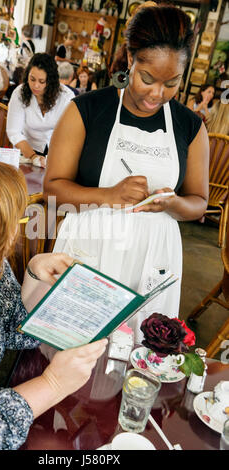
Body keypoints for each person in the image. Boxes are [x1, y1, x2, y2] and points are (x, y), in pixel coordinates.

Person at [43, 5, 209, 342]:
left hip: (154, 258)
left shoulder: (190, 127)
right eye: (147, 78)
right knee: (74, 344)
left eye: (171, 83)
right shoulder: (87, 110)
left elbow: (199, 202)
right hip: (92, 248)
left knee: (142, 351)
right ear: (130, 58)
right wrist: (108, 195)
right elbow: (51, 190)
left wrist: (172, 203)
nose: (156, 94)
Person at [0, 159, 107, 450]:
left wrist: (36, 271)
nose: (20, 228)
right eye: (16, 219)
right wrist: (52, 384)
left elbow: (15, 330)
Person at [6, 53, 74, 168]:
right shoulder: (19, 93)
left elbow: (70, 134)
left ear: (51, 81)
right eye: (32, 79)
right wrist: (33, 157)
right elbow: (14, 131)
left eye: (42, 81)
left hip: (55, 152)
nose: (36, 85)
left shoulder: (66, 97)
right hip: (26, 151)